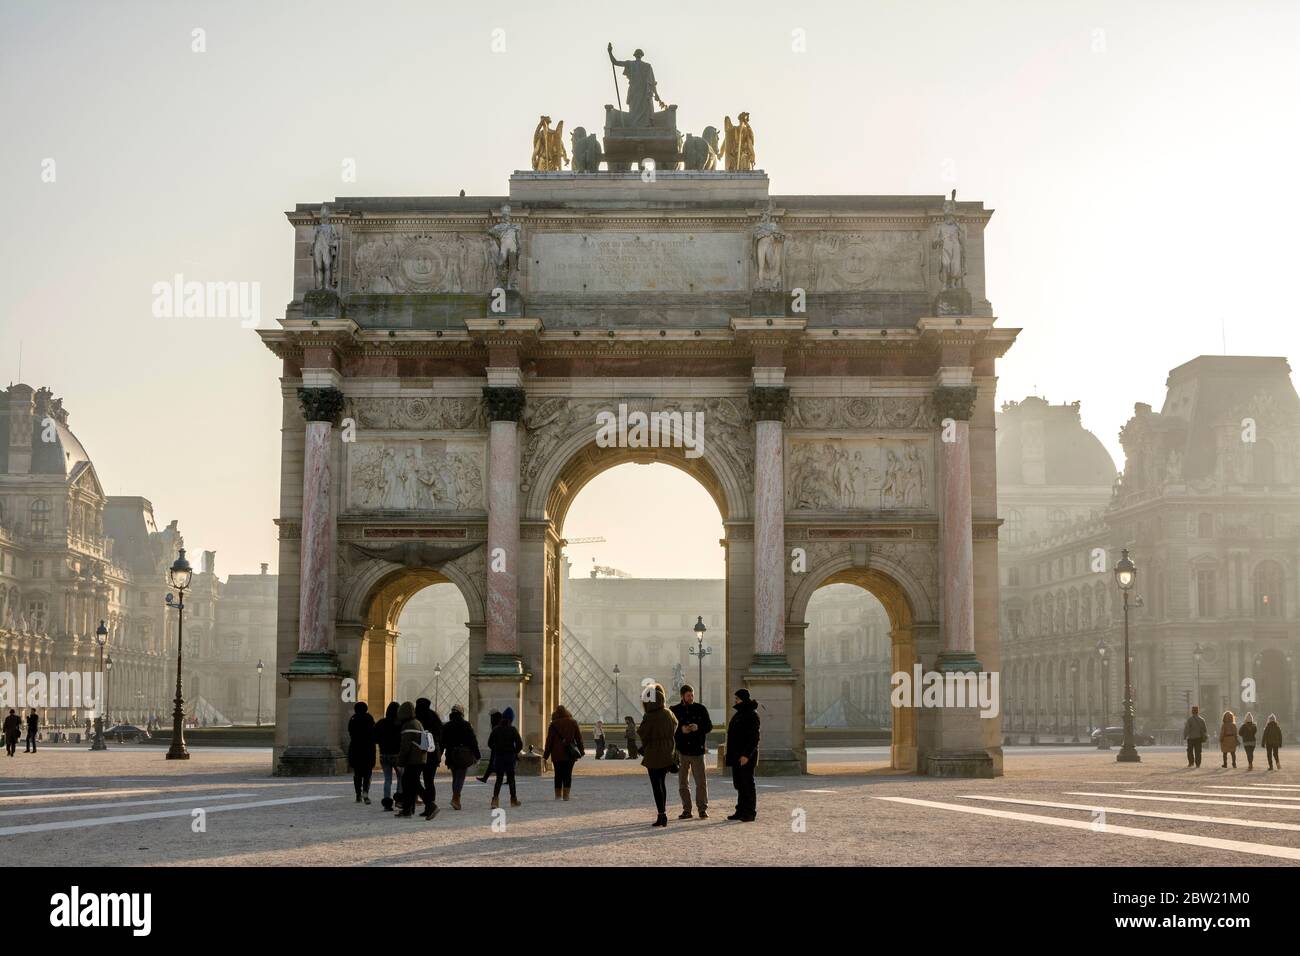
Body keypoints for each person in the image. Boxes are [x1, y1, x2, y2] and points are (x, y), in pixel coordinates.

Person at [637, 683, 679, 828]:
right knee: (662, 783)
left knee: (656, 785)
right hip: (667, 752)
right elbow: (675, 726)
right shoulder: (668, 713)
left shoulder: (649, 716)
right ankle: (663, 814)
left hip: (653, 753)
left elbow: (642, 733)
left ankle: (662, 814)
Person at [670, 683, 713, 819]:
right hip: (682, 751)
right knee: (683, 783)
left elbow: (709, 726)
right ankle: (687, 810)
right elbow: (670, 730)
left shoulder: (701, 709)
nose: (691, 697)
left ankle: (702, 809)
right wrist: (681, 730)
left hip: (697, 751)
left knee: (701, 782)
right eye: (688, 695)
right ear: (682, 696)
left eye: (692, 695)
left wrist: (698, 727)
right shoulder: (674, 710)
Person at [725, 688, 760, 822]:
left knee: (747, 784)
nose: (735, 701)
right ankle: (740, 810)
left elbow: (754, 738)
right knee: (740, 784)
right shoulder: (740, 713)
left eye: (737, 699)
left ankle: (750, 812)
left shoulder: (752, 715)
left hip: (746, 756)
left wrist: (746, 755)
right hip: (737, 755)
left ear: (743, 699)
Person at [440, 704, 481, 810]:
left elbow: (442, 742)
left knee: (455, 777)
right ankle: (456, 798)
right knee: (460, 776)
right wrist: (477, 755)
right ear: (461, 713)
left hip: (451, 755)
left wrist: (439, 755)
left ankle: (456, 798)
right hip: (463, 754)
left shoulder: (446, 726)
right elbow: (473, 742)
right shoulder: (466, 725)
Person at [543, 704, 583, 801]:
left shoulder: (553, 725)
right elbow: (579, 738)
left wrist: (546, 755)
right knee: (568, 774)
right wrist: (581, 751)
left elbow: (549, 741)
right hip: (570, 754)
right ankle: (566, 795)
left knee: (558, 774)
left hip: (557, 754)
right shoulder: (573, 722)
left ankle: (557, 795)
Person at [487, 706, 524, 809]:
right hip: (509, 758)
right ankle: (513, 800)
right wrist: (514, 751)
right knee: (511, 779)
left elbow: (489, 743)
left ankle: (495, 800)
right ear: (511, 719)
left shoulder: (496, 729)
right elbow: (520, 744)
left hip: (499, 757)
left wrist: (497, 749)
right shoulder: (512, 729)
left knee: (498, 779)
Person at [395, 702, 427, 819]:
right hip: (420, 758)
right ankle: (408, 809)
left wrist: (400, 762)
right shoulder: (417, 723)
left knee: (411, 783)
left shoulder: (408, 725)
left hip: (413, 760)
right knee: (410, 783)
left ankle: (430, 805)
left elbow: (405, 747)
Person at [374, 702, 403, 810]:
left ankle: (387, 802)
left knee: (387, 779)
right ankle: (399, 798)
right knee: (401, 777)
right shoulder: (400, 724)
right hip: (397, 755)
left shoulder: (381, 723)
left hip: (384, 754)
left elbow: (374, 738)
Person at [347, 702, 376, 804]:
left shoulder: (353, 719)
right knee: (367, 773)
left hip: (356, 748)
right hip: (368, 749)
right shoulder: (369, 718)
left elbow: (350, 732)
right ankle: (365, 793)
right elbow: (373, 733)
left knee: (357, 774)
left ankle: (358, 794)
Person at [477, 710, 502, 783]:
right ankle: (486, 778)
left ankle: (486, 778)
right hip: (498, 748)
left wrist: (493, 746)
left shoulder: (496, 726)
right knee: (494, 763)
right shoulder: (499, 724)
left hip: (496, 747)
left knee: (495, 763)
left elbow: (491, 741)